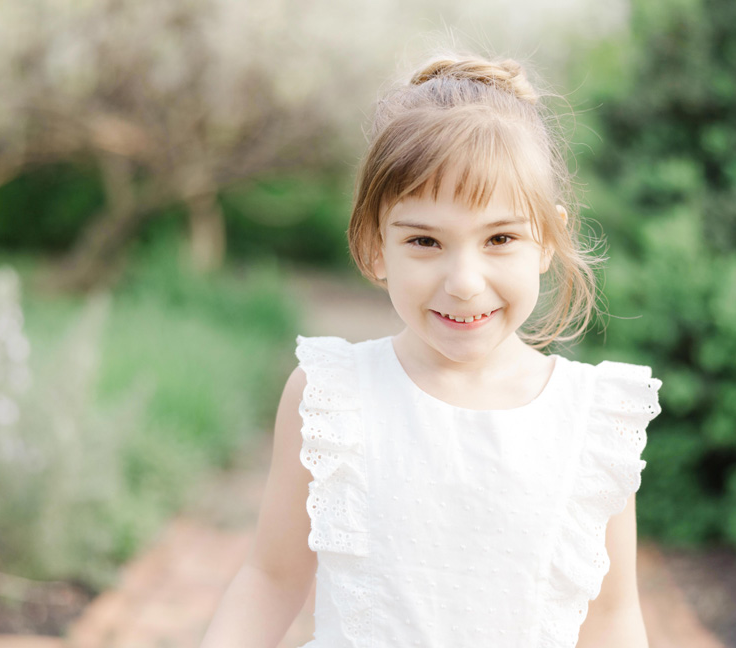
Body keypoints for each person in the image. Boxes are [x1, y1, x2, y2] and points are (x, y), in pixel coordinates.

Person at [200, 53, 662, 648]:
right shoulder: (332, 398)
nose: (464, 280)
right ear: (374, 246)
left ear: (547, 239)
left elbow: (611, 618)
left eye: (500, 238)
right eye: (425, 240)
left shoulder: (592, 422)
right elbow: (271, 579)